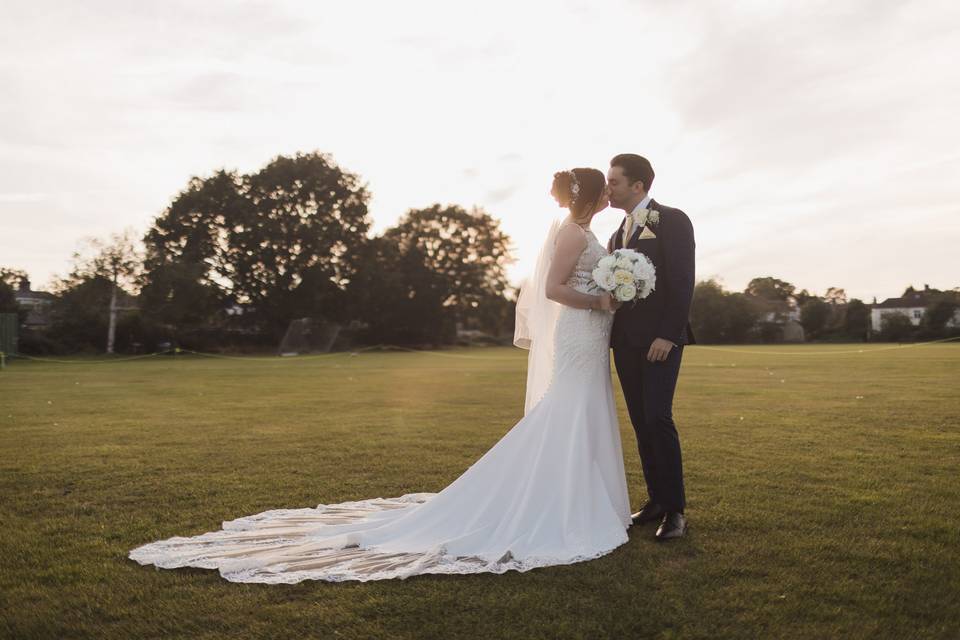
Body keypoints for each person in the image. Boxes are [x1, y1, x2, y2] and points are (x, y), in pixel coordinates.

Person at [129, 167, 632, 583]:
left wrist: (609, 298)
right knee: (566, 408)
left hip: (592, 334)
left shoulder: (588, 232)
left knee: (584, 407)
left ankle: (585, 498)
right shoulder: (570, 233)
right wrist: (599, 299)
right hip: (578, 329)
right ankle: (559, 501)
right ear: (590, 193)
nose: (611, 191)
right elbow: (552, 288)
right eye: (605, 187)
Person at [606, 153, 696, 541]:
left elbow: (682, 281)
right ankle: (656, 500)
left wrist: (668, 334)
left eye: (614, 182)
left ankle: (675, 511)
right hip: (625, 342)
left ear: (638, 185)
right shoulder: (616, 233)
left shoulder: (672, 220)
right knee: (642, 422)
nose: (608, 188)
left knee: (659, 417)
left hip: (661, 340)